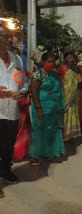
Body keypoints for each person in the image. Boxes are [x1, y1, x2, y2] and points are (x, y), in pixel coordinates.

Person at [0, 26, 28, 186]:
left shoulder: (16, 58)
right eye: (6, 37)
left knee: (8, 146)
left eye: (10, 37)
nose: (10, 39)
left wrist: (23, 91)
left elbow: (23, 79)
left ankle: (5, 171)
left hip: (12, 111)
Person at [29, 53, 65, 165]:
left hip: (53, 108)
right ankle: (35, 156)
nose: (51, 64)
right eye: (49, 61)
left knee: (51, 130)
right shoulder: (39, 74)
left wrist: (59, 106)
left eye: (53, 62)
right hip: (41, 106)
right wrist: (39, 109)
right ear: (43, 62)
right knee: (39, 130)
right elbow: (34, 91)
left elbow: (59, 91)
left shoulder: (54, 74)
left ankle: (48, 153)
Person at [58, 51, 81, 141]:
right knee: (64, 115)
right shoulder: (61, 68)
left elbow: (79, 82)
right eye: (69, 58)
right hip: (64, 96)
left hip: (74, 97)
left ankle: (70, 135)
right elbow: (58, 82)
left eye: (72, 57)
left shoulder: (76, 70)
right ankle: (62, 135)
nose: (71, 60)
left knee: (73, 114)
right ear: (65, 59)